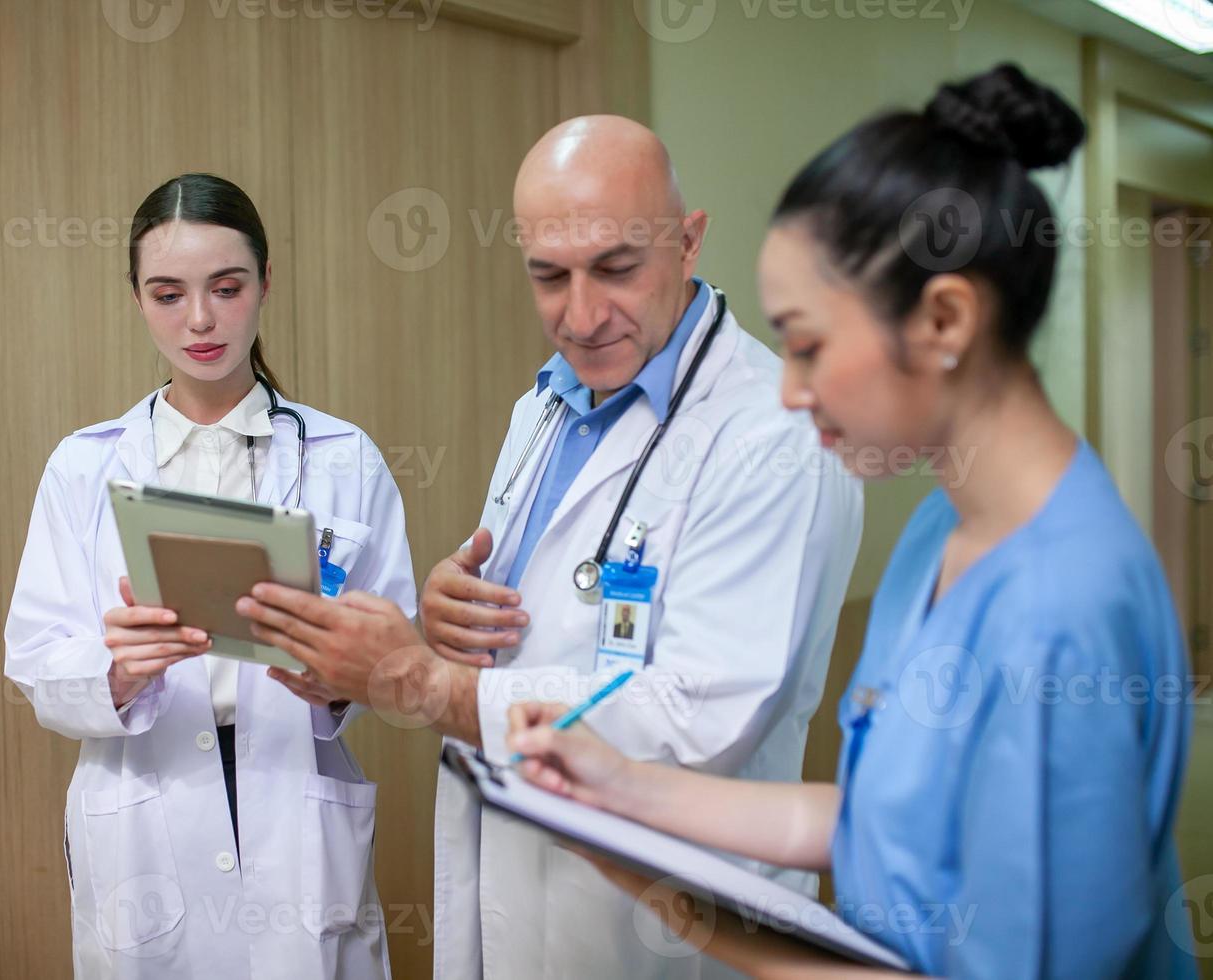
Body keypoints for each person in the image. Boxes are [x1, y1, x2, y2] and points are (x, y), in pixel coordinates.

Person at [503, 65, 1198, 979]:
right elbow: (866, 822)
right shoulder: (939, 539)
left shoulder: (1066, 607)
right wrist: (621, 792)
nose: (789, 390)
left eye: (809, 345)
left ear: (945, 318)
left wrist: (691, 910)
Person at [234, 117, 864, 977]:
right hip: (515, 876)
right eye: (548, 276)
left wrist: (421, 681)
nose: (581, 315)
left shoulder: (774, 435)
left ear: (688, 242)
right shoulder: (545, 407)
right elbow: (552, 620)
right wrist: (443, 618)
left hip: (664, 925)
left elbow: (695, 722)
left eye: (615, 268)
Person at [4, 173, 416, 979]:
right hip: (147, 797)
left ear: (266, 284)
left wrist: (334, 678)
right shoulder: (84, 467)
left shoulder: (342, 459)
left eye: (226, 288)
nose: (200, 320)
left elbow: (400, 656)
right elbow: (36, 656)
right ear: (137, 299)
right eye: (168, 294)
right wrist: (117, 672)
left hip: (292, 789)